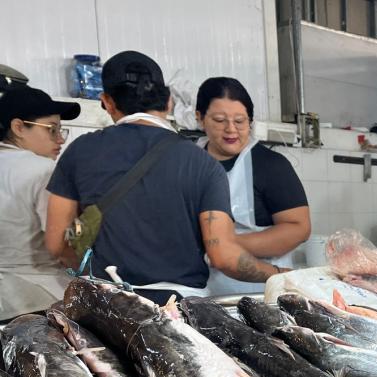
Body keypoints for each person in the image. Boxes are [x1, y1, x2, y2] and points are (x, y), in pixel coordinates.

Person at [45, 51, 284, 304]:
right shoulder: (202, 163)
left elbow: (56, 244)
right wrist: (281, 275)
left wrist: (94, 275)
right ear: (168, 101)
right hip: (177, 308)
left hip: (103, 307)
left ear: (107, 102)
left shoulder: (80, 151)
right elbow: (224, 257)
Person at [195, 77, 311, 295]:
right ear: (200, 118)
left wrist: (226, 246)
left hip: (261, 292)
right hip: (199, 293)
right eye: (220, 120)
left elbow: (299, 227)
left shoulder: (270, 165)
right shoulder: (187, 162)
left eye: (240, 121)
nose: (231, 130)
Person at [0, 86, 80, 319]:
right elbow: (63, 245)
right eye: (52, 130)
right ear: (18, 128)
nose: (60, 140)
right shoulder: (44, 170)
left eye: (61, 130)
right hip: (37, 299)